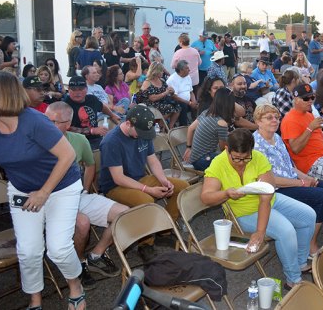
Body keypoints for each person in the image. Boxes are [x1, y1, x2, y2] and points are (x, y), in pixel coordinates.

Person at [0, 71, 86, 310]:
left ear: (3, 95)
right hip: (23, 189)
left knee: (58, 247)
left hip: (61, 186)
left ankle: (75, 285)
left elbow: (68, 155)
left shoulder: (34, 121)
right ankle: (35, 300)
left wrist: (44, 192)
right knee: (28, 250)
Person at [201, 128, 316, 288]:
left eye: (246, 158)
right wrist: (226, 193)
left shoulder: (258, 158)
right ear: (227, 149)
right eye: (236, 158)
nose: (241, 162)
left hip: (268, 202)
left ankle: (300, 262)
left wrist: (260, 231)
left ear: (251, 151)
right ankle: (293, 279)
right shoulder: (218, 162)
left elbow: (266, 198)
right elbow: (206, 196)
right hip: (243, 212)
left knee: (308, 215)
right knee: (286, 231)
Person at [45, 102, 125, 289]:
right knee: (82, 223)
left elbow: (90, 165)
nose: (46, 124)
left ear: (67, 123)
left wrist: (86, 189)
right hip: (49, 200)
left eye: (53, 121)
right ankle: (79, 263)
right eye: (45, 120)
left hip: (76, 194)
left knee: (125, 214)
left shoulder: (78, 140)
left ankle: (95, 255)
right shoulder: (38, 142)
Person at [98, 105, 188, 262]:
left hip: (138, 178)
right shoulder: (111, 141)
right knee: (146, 200)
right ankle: (145, 244)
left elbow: (152, 159)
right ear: (128, 123)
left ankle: (164, 231)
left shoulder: (142, 132)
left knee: (183, 188)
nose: (143, 136)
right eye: (139, 132)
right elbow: (118, 178)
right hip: (115, 187)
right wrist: (147, 189)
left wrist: (163, 180)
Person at [253, 104, 323, 256]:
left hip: (292, 180)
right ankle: (310, 243)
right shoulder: (256, 144)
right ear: (258, 122)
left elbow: (289, 166)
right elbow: (271, 180)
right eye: (269, 118)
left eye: (276, 117)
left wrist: (306, 177)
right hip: (278, 189)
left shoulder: (276, 138)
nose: (275, 121)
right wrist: (301, 183)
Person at [183, 88, 233, 170]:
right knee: (235, 158)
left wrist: (188, 147)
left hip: (194, 158)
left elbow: (191, 128)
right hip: (203, 160)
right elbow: (223, 148)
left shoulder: (206, 112)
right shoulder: (221, 123)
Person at [64, 76, 119, 150]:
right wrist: (92, 130)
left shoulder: (92, 99)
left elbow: (102, 107)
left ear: (86, 89)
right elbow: (65, 128)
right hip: (76, 142)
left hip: (95, 139)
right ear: (68, 89)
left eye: (80, 89)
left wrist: (112, 115)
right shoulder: (65, 105)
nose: (77, 92)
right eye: (73, 89)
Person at [138, 62, 181, 129]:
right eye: (161, 71)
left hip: (161, 102)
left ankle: (170, 126)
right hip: (151, 104)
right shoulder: (147, 82)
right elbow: (152, 98)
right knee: (170, 107)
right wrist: (165, 93)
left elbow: (167, 91)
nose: (163, 72)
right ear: (156, 71)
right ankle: (160, 125)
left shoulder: (161, 80)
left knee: (177, 106)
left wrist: (172, 91)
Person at [166, 61, 198, 126]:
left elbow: (191, 92)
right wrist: (189, 103)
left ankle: (197, 125)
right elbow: (174, 97)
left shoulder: (188, 77)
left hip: (188, 102)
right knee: (183, 106)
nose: (189, 70)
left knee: (200, 104)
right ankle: (184, 126)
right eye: (187, 68)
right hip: (176, 101)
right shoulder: (172, 79)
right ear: (181, 70)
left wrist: (194, 101)